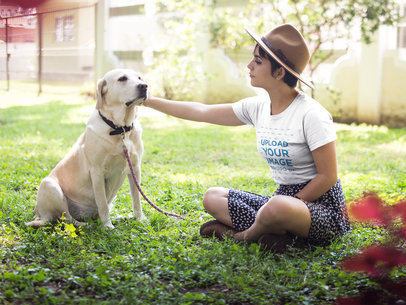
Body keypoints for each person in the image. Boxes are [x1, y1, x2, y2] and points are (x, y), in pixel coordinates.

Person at [144, 24, 351, 252]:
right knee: (213, 197)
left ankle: (243, 237)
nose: (249, 65)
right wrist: (148, 100)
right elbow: (201, 111)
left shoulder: (311, 114)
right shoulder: (258, 108)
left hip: (322, 209)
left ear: (279, 72)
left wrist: (291, 203)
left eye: (258, 61)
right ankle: (275, 237)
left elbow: (328, 176)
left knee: (277, 207)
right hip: (281, 200)